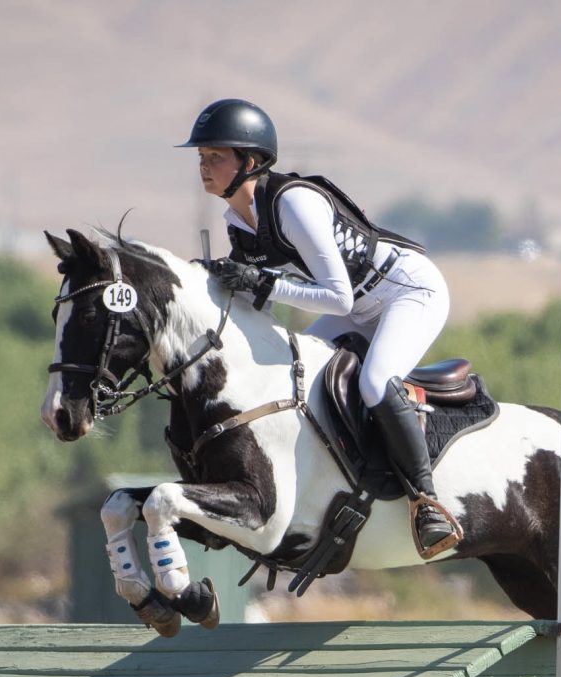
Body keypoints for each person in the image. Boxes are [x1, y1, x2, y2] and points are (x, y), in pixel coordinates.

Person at [178, 97, 462, 558]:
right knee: (295, 376)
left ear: (249, 162)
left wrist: (263, 282)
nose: (204, 167)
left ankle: (425, 501)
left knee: (373, 381)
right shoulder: (238, 221)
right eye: (202, 158)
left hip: (407, 292)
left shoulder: (293, 203)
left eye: (215, 158)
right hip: (361, 304)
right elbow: (258, 295)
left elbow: (337, 297)